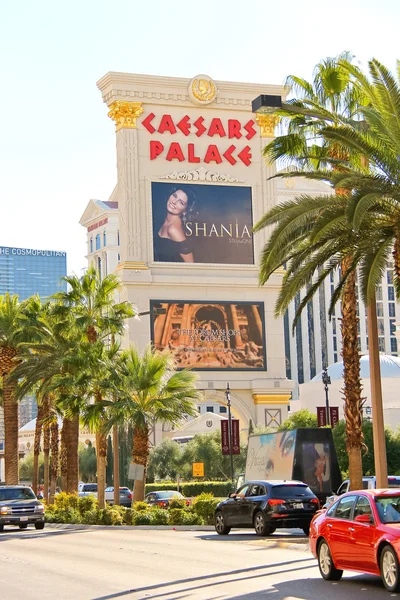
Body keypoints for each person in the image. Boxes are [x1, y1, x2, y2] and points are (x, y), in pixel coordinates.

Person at [154, 187, 195, 263]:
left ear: (185, 210)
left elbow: (190, 263)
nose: (174, 202)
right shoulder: (162, 219)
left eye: (181, 202)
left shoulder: (173, 230)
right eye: (174, 196)